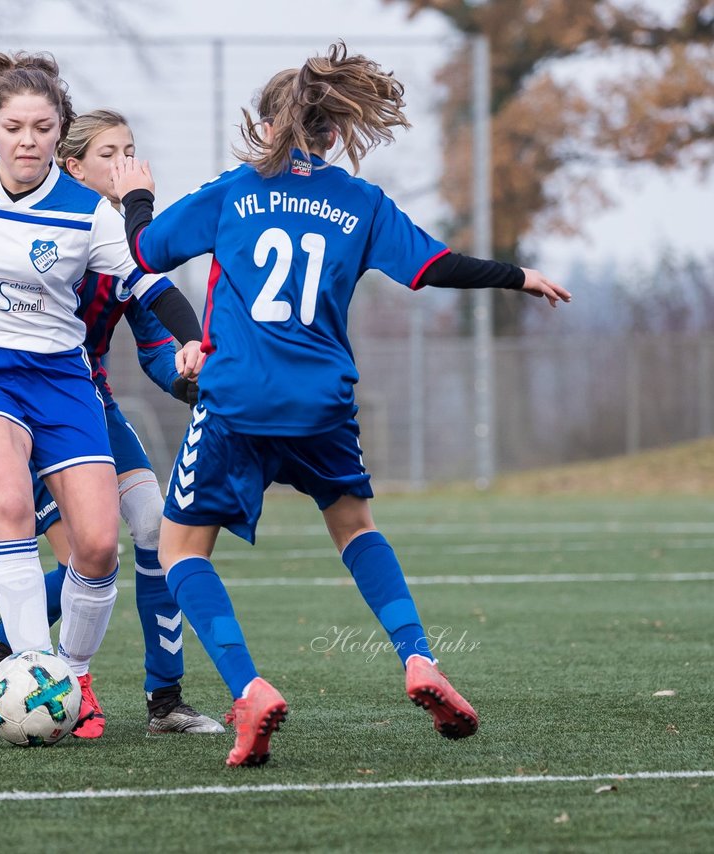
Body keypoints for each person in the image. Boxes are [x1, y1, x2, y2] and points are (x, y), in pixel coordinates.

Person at [111, 42, 571, 766]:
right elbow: (432, 267)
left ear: (269, 128)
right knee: (355, 528)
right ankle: (418, 659)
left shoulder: (233, 191)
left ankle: (248, 690)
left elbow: (144, 252)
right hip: (323, 399)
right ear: (331, 134)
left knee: (178, 548)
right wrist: (518, 275)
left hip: (237, 399)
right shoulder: (359, 202)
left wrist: (135, 192)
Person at [0, 38, 204, 735]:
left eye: (42, 128)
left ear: (59, 133)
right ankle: (30, 670)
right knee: (10, 508)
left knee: (98, 548)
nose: (27, 141)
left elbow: (150, 284)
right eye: (13, 127)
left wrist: (189, 340)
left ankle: (70, 673)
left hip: (61, 381)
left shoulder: (89, 215)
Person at [0, 110, 223, 736]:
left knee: (151, 525)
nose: (129, 164)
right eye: (111, 153)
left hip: (91, 402)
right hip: (19, 404)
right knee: (93, 552)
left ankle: (164, 700)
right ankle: (54, 671)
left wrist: (186, 375)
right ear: (73, 167)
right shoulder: (45, 225)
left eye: (133, 150)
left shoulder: (127, 249)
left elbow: (153, 345)